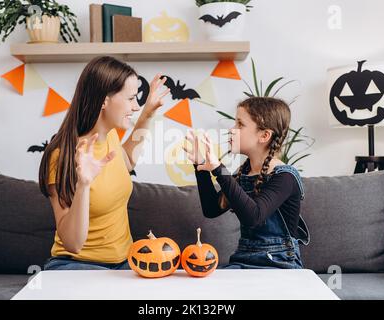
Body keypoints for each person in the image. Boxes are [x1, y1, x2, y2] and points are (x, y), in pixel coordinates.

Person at [39, 56, 169, 270]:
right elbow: (72, 244)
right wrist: (84, 184)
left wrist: (148, 113)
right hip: (76, 263)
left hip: (124, 262)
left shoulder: (109, 136)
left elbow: (126, 162)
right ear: (103, 100)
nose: (136, 106)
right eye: (131, 98)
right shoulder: (60, 156)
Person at [183, 96, 310, 269]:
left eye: (240, 124)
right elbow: (211, 209)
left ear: (264, 135)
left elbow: (254, 216)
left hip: (280, 264)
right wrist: (201, 167)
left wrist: (219, 169)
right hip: (243, 259)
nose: (231, 129)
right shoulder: (243, 173)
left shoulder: (285, 177)